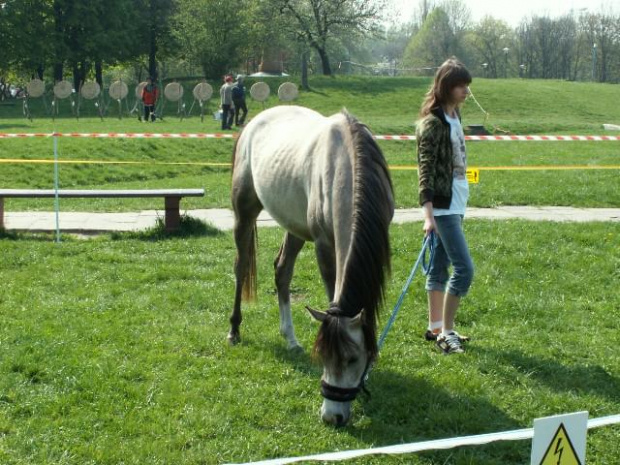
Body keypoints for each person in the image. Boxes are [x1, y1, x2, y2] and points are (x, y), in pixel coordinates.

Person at [416, 57, 474, 355]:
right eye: (460, 85)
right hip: (442, 208)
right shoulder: (433, 123)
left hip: (457, 200)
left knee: (438, 268)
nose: (466, 91)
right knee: (464, 269)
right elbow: (424, 171)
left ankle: (436, 327)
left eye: (467, 85)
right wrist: (428, 216)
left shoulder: (455, 117)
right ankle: (448, 332)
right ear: (446, 87)